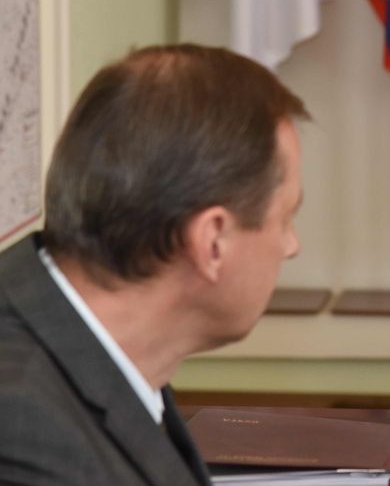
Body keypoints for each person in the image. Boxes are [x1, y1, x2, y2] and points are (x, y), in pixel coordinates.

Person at [0, 44, 308, 485]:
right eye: (286, 218)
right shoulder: (24, 433)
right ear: (213, 242)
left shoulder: (101, 349)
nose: (291, 246)